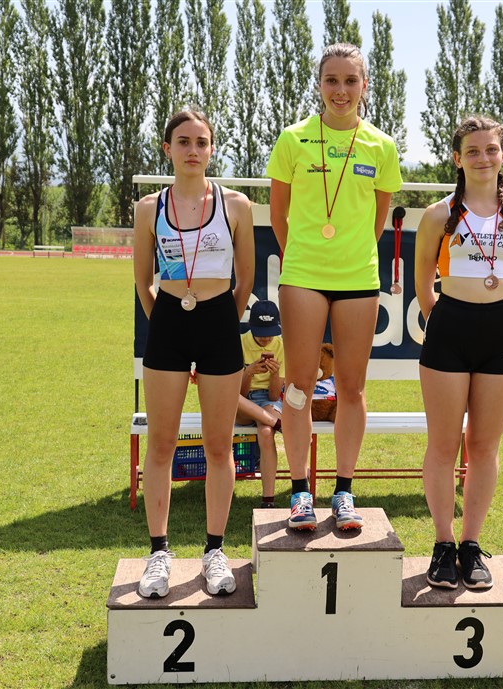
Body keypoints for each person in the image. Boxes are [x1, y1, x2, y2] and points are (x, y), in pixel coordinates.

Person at [266, 42, 402, 531]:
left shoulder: (381, 146)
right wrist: (303, 258)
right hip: (303, 276)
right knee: (299, 386)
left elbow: (378, 219)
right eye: (331, 80)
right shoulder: (293, 139)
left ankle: (344, 491)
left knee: (351, 388)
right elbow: (278, 215)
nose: (340, 90)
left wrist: (349, 256)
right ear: (319, 84)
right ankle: (299, 492)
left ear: (364, 85)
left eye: (350, 81)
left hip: (358, 279)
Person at [132, 110, 255, 598]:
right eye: (183, 142)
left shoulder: (236, 205)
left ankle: (214, 551)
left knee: (218, 446)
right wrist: (168, 319)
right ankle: (159, 552)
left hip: (219, 321)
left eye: (201, 142)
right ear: (167, 149)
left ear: (211, 149)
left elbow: (245, 279)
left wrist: (219, 320)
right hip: (167, 321)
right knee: (161, 444)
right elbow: (142, 280)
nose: (193, 150)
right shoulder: (149, 208)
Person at [414, 116, 503, 589]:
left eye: (490, 149)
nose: (482, 158)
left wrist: (494, 317)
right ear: (457, 158)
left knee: (484, 447)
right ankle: (443, 544)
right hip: (449, 330)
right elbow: (423, 283)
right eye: (472, 150)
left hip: (500, 334)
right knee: (444, 446)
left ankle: (471, 543)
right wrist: (446, 320)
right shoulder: (437, 215)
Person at [237, 300, 285, 508]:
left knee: (266, 433)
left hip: (267, 399)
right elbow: (239, 393)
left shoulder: (281, 345)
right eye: (261, 333)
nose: (266, 338)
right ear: (251, 327)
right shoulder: (239, 342)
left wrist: (275, 374)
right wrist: (248, 372)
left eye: (270, 333)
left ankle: (268, 499)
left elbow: (274, 396)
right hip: (243, 401)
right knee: (229, 396)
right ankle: (277, 424)